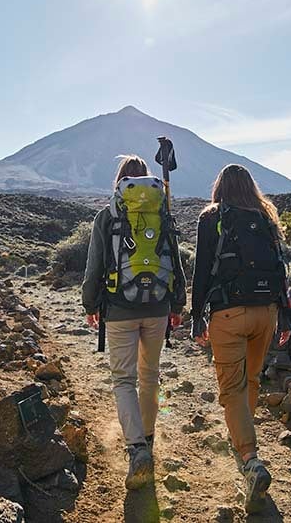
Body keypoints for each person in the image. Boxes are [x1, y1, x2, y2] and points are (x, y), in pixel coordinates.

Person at [190, 164, 291, 514]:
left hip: (228, 314)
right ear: (250, 187)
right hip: (267, 311)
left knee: (230, 388)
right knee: (250, 381)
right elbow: (281, 268)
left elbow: (202, 269)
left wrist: (195, 317)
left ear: (220, 187)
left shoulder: (213, 216)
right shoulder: (265, 216)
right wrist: (287, 316)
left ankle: (250, 460)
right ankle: (242, 443)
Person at [82, 154, 187, 490]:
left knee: (124, 380)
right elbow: (177, 259)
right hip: (157, 307)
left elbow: (93, 266)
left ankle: (136, 448)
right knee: (150, 376)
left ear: (120, 182)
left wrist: (89, 303)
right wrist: (178, 303)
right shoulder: (163, 211)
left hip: (118, 308)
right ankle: (150, 440)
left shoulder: (107, 215)